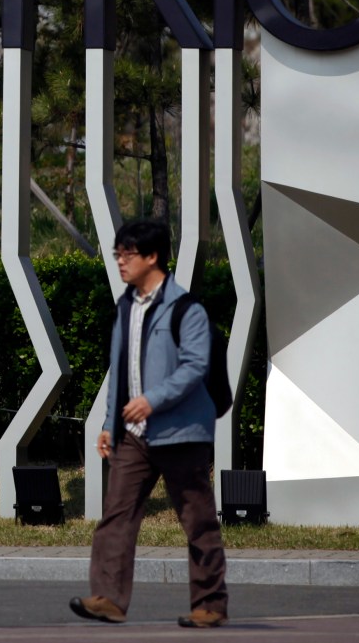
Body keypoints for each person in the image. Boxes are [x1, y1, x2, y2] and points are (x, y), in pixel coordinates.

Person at [69, 218, 228, 629]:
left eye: (128, 254)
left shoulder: (186, 308)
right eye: (117, 254)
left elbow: (196, 366)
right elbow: (118, 370)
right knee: (116, 517)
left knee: (197, 520)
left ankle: (210, 604)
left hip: (181, 433)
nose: (120, 262)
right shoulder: (126, 305)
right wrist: (109, 422)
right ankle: (108, 598)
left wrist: (151, 401)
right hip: (135, 436)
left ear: (152, 257)